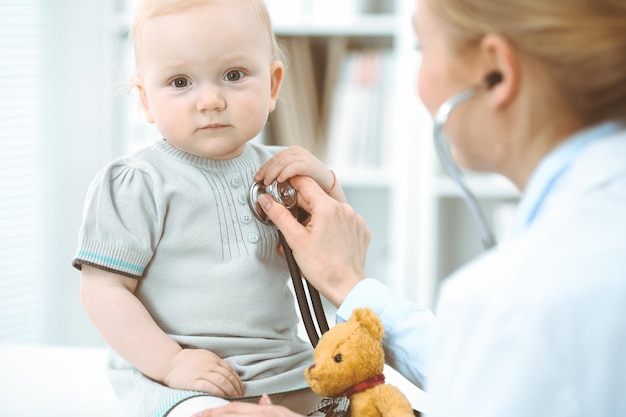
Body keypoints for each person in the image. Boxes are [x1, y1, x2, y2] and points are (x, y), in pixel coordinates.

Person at [195, 0, 626, 416]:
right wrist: (348, 282)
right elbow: (485, 366)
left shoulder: (510, 301)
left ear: (496, 71)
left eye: (422, 48)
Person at [72, 1, 346, 416]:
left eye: (234, 75)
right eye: (180, 82)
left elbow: (338, 252)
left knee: (358, 401)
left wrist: (327, 185)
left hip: (284, 367)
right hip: (181, 381)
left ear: (272, 86)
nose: (211, 100)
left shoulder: (283, 172)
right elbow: (102, 291)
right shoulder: (138, 183)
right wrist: (171, 362)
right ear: (145, 100)